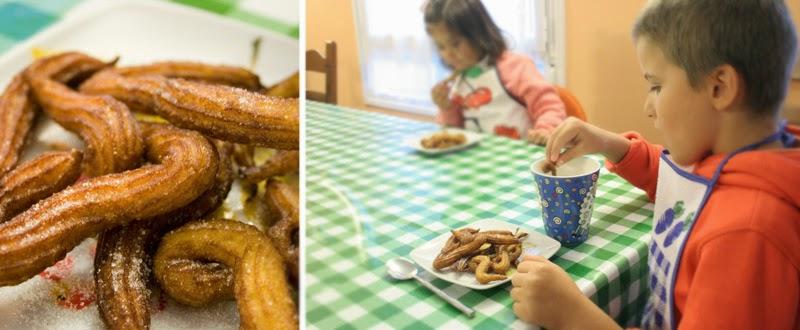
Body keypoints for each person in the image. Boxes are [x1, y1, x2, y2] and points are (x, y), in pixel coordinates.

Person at [510, 0, 800, 328]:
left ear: (720, 87)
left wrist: (572, 315)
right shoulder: (736, 156)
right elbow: (672, 178)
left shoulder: (747, 235)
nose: (649, 107)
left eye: (656, 86)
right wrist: (604, 142)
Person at [425, 0, 566, 144]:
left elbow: (550, 107)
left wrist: (545, 131)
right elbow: (454, 131)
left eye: (455, 44)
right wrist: (446, 107)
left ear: (478, 34)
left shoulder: (515, 66)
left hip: (519, 156)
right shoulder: (458, 79)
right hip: (477, 159)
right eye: (441, 46)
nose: (448, 54)